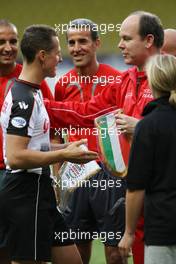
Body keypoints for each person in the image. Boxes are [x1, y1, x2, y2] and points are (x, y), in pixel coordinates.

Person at [44, 11, 164, 264]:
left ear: (149, 41)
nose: (119, 44)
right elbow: (85, 113)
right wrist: (38, 104)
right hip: (132, 189)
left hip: (162, 193)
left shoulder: (167, 78)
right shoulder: (126, 81)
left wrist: (140, 126)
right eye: (71, 42)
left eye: (126, 39)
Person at [0, 24, 98, 264]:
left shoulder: (33, 92)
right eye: (57, 52)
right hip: (25, 193)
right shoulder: (23, 98)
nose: (61, 58)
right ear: (42, 56)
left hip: (39, 191)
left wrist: (69, 152)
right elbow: (15, 157)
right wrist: (63, 153)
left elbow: (34, 147)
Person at [54, 18, 124, 264]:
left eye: (83, 41)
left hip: (110, 174)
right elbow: (56, 131)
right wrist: (57, 175)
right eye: (71, 42)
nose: (76, 48)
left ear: (97, 43)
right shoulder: (62, 85)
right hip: (74, 174)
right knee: (76, 252)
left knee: (115, 253)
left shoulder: (117, 79)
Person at [0, 19, 55, 263]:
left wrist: (64, 155)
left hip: (32, 180)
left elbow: (48, 131)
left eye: (13, 41)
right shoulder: (23, 92)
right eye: (2, 41)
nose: (8, 47)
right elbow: (15, 155)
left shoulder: (34, 85)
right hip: (18, 181)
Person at [118, 54, 176, 264]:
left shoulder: (147, 126)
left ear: (152, 81)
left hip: (162, 227)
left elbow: (136, 187)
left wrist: (129, 233)